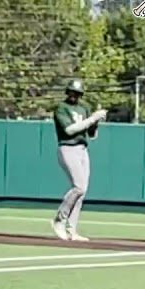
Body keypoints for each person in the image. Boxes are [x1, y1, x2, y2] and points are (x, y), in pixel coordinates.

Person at [50, 79, 106, 242]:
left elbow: (92, 134)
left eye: (77, 93)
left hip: (82, 149)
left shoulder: (84, 108)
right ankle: (59, 219)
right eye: (72, 92)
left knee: (82, 192)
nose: (74, 96)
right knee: (79, 187)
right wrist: (92, 118)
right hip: (67, 148)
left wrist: (96, 121)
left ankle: (72, 229)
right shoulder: (62, 108)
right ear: (67, 92)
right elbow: (69, 130)